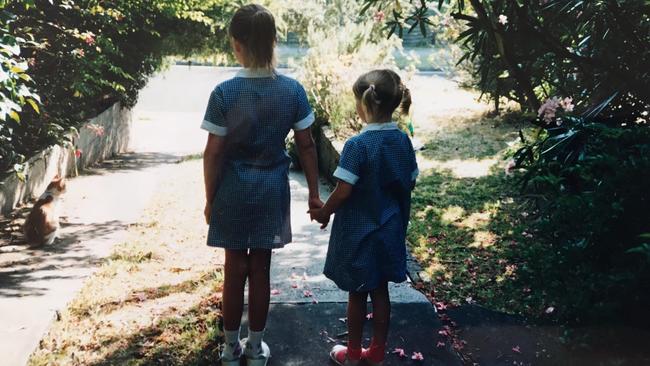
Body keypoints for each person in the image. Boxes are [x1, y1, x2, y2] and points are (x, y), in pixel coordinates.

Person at [201, 4, 322, 366]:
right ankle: (255, 348)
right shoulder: (292, 90)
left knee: (233, 269)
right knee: (261, 269)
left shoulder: (223, 93)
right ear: (273, 41)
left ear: (236, 44)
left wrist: (210, 199)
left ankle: (229, 348)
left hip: (232, 192)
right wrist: (315, 194)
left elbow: (212, 155)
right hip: (271, 192)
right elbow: (307, 145)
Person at [309, 69, 418, 366]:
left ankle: (354, 355)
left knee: (357, 293)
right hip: (390, 229)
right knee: (380, 291)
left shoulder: (357, 146)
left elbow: (343, 191)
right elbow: (410, 181)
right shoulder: (402, 141)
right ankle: (378, 353)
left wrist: (323, 212)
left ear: (365, 104)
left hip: (359, 231)